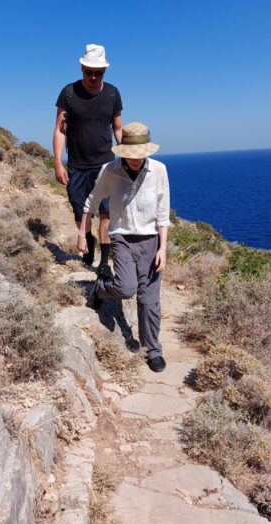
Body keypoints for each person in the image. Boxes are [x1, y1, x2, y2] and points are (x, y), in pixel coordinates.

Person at [77, 122, 170, 373]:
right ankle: (101, 288)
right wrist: (82, 234)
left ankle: (153, 350)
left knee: (149, 300)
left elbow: (163, 214)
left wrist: (163, 248)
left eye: (142, 153)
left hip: (150, 241)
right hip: (121, 238)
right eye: (132, 153)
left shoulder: (159, 171)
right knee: (127, 288)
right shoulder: (110, 170)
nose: (137, 158)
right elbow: (92, 201)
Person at [54, 44, 123, 271]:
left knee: (106, 214)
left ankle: (103, 264)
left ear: (104, 71)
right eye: (89, 72)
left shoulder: (112, 93)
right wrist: (58, 163)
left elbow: (118, 128)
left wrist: (127, 156)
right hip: (76, 165)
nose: (93, 77)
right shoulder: (69, 93)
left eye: (98, 73)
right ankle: (88, 240)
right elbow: (59, 130)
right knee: (79, 211)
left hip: (105, 164)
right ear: (82, 68)